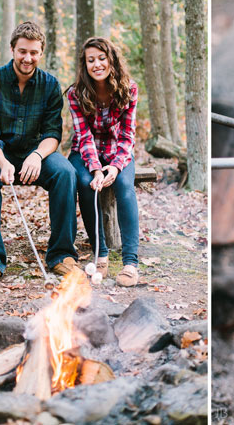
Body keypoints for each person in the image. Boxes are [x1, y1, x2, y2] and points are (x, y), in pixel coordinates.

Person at [0, 21, 79, 288]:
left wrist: (37, 156)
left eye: (33, 52)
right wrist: (3, 162)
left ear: (40, 53)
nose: (27, 58)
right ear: (12, 49)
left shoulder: (51, 86)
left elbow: (53, 134)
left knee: (66, 173)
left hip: (35, 152)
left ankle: (61, 254)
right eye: (22, 51)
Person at [67, 37, 140, 287]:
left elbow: (128, 134)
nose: (97, 64)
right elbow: (83, 136)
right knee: (88, 185)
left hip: (118, 152)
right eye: (91, 60)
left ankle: (130, 262)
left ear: (111, 60)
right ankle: (102, 252)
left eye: (101, 58)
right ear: (84, 65)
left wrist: (116, 166)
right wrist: (96, 169)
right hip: (85, 153)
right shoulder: (75, 94)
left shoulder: (129, 89)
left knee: (124, 188)